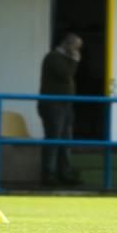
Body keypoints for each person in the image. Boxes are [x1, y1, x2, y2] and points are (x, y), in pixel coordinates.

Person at [37, 32, 83, 186]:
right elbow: (65, 75)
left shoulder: (62, 58)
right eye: (76, 47)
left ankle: (64, 173)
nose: (77, 51)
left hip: (65, 104)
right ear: (68, 45)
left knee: (65, 139)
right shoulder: (53, 57)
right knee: (54, 138)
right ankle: (48, 174)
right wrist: (74, 61)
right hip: (53, 104)